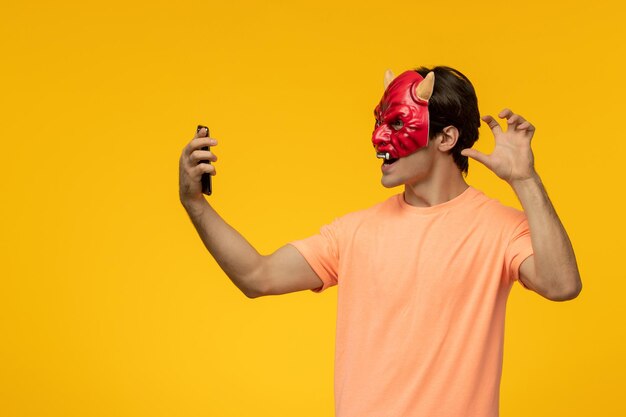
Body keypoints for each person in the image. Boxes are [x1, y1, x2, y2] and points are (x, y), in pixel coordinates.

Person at [178, 65, 582, 417]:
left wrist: (525, 180)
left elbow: (562, 284)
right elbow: (257, 275)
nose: (378, 139)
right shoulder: (353, 232)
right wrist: (194, 203)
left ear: (445, 138)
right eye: (378, 122)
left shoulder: (499, 228)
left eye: (397, 124)